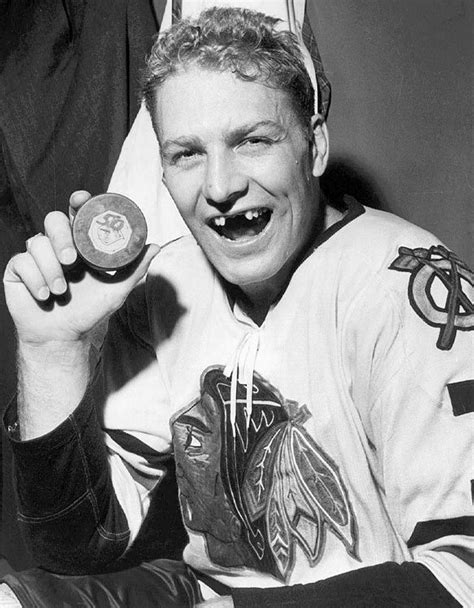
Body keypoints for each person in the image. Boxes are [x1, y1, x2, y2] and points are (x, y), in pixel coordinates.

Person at [1, 7, 473, 607]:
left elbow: (464, 578)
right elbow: (79, 550)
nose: (220, 187)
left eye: (252, 141)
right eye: (186, 154)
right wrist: (52, 351)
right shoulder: (167, 286)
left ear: (316, 144)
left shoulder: (408, 285)